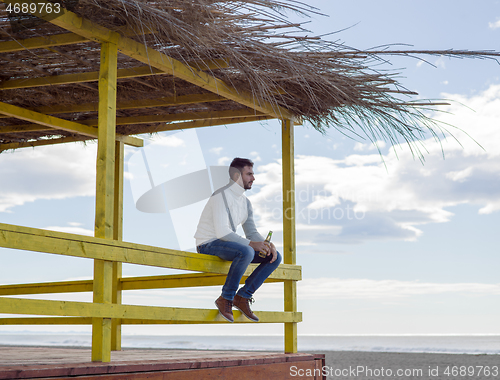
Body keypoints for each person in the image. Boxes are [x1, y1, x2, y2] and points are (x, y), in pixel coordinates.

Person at [194, 157, 281, 322]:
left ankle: (242, 297)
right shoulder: (220, 195)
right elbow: (222, 232)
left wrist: (267, 244)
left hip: (229, 246)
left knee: (274, 257)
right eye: (249, 174)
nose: (253, 178)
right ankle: (225, 298)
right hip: (207, 244)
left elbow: (251, 232)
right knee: (247, 250)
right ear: (236, 176)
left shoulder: (246, 202)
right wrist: (252, 245)